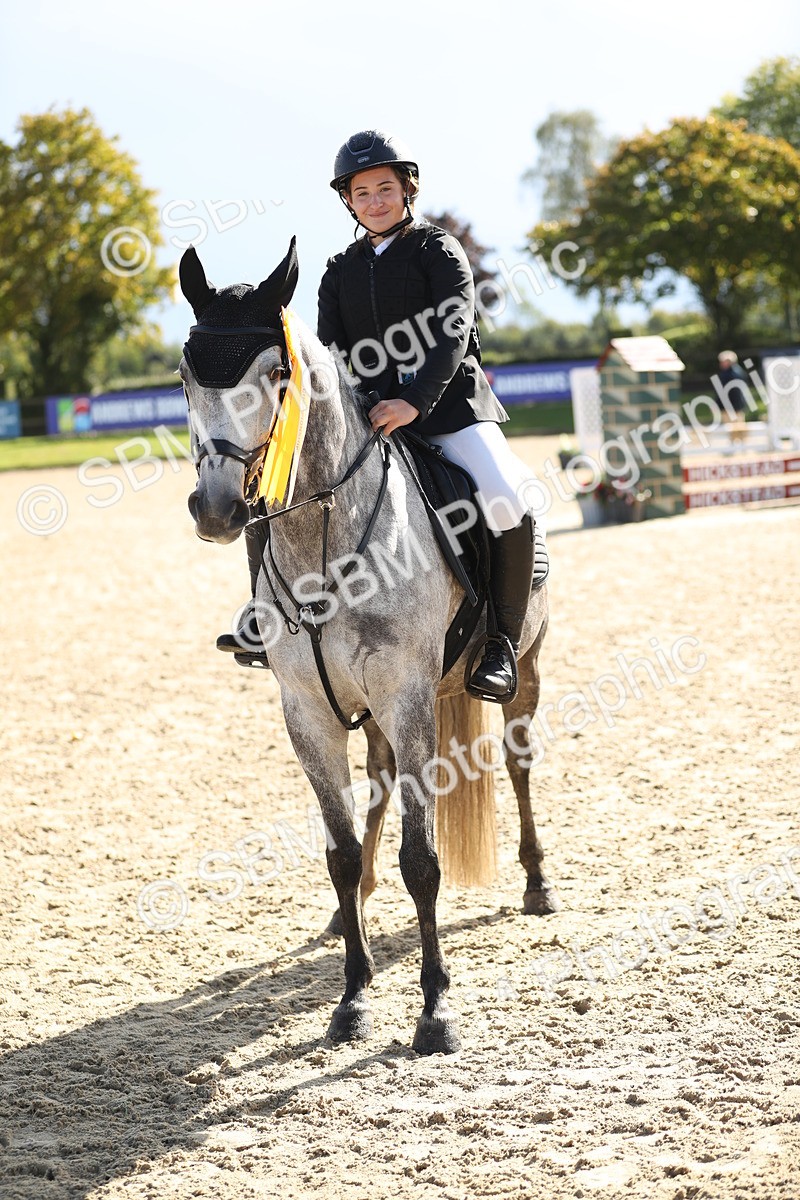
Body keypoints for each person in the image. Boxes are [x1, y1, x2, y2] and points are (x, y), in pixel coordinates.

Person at [219, 129, 545, 702]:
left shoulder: (438, 251)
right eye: (363, 191)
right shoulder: (340, 269)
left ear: (406, 190)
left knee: (506, 497)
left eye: (385, 189)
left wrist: (413, 400)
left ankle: (499, 642)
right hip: (369, 420)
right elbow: (333, 355)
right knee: (273, 490)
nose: (375, 201)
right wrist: (356, 407)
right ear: (348, 200)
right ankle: (262, 617)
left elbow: (452, 332)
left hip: (450, 411)